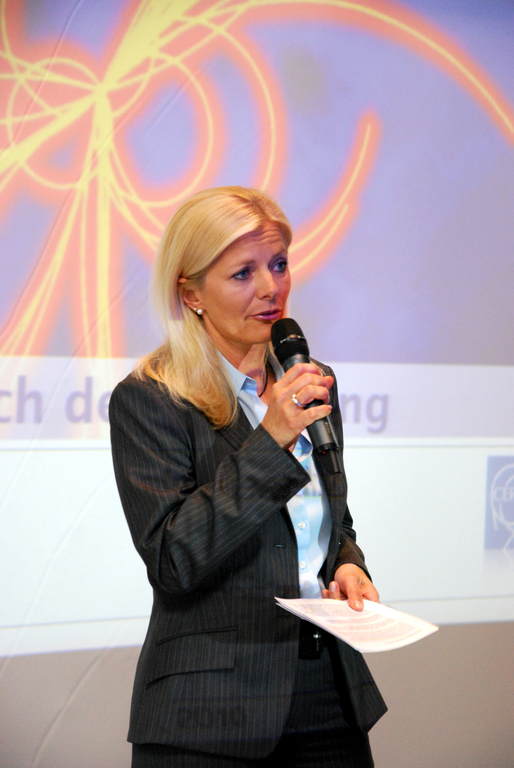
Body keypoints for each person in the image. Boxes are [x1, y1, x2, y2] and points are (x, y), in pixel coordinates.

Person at [109, 186, 386, 768]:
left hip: (329, 692)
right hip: (208, 712)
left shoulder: (311, 380)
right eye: (243, 273)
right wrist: (270, 439)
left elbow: (329, 518)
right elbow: (173, 559)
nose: (270, 288)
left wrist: (347, 563)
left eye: (279, 264)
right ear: (191, 293)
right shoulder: (151, 399)